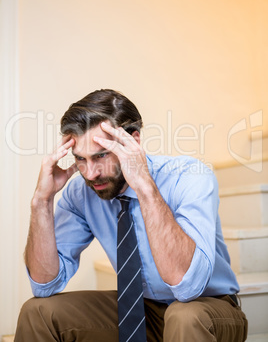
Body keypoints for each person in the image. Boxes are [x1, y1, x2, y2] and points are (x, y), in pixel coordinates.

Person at [14, 89, 248, 342]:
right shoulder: (81, 193)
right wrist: (41, 201)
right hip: (142, 309)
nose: (90, 173)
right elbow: (44, 284)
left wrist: (144, 187)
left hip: (209, 310)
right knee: (37, 311)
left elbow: (187, 286)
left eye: (100, 155)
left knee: (184, 316)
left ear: (133, 142)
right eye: (80, 159)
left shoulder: (189, 176)